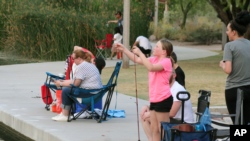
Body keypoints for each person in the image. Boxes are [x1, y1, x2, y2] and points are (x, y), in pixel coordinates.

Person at [115, 39, 173, 141]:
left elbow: (151, 68)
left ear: (164, 51)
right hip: (155, 99)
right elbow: (137, 60)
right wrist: (124, 49)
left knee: (163, 129)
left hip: (163, 99)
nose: (154, 48)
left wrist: (140, 53)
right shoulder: (154, 59)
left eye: (157, 47)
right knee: (154, 129)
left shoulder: (166, 62)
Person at [140, 69, 194, 140]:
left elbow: (172, 113)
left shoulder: (178, 89)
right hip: (173, 119)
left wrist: (150, 114)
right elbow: (159, 105)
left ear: (174, 75)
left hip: (183, 122)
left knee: (149, 118)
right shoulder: (165, 88)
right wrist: (147, 107)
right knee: (144, 115)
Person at [52, 49, 103, 121]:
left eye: (73, 58)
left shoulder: (81, 67)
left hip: (90, 94)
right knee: (67, 88)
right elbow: (75, 81)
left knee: (66, 90)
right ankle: (63, 113)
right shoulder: (88, 64)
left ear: (79, 58)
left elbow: (76, 84)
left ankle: (65, 115)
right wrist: (63, 81)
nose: (73, 60)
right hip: (96, 93)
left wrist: (61, 84)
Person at [219, 11, 250, 125]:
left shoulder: (229, 46)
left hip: (234, 90)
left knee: (237, 123)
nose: (227, 33)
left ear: (234, 32)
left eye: (228, 30)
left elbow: (228, 70)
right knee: (246, 122)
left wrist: (222, 64)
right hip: (249, 88)